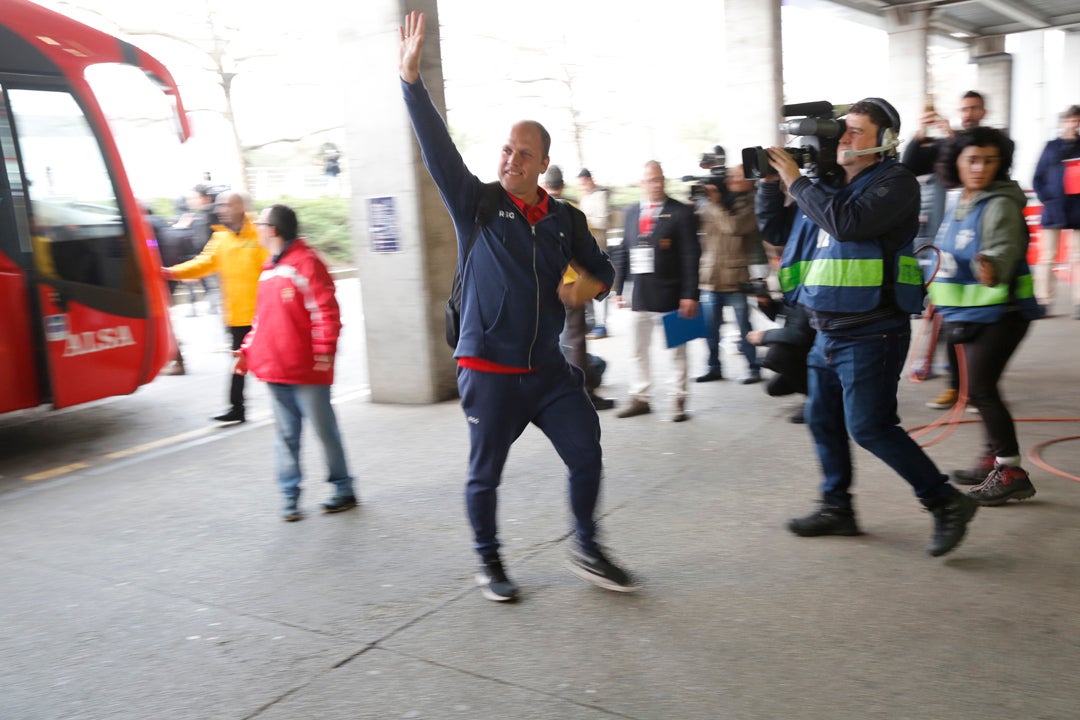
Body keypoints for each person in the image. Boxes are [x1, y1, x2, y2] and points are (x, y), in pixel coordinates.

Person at [399, 11, 636, 602]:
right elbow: (437, 151)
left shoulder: (565, 220)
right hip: (489, 370)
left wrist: (590, 286)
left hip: (547, 371)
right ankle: (490, 563)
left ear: (541, 164)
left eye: (523, 153)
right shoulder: (475, 204)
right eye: (506, 149)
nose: (511, 159)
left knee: (587, 450)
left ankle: (586, 544)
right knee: (486, 475)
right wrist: (411, 84)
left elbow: (605, 270)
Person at [756, 97, 978, 557]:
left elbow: (848, 224)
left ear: (885, 142)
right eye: (844, 130)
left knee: (871, 427)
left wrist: (798, 182)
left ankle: (945, 501)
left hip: (871, 330)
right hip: (827, 329)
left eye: (857, 131)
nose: (844, 138)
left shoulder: (894, 183)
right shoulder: (827, 182)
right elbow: (778, 231)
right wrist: (769, 183)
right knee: (822, 419)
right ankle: (838, 507)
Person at [929, 128, 1042, 504]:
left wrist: (990, 266)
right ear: (956, 163)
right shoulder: (960, 199)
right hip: (971, 311)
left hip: (1003, 313)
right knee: (975, 389)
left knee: (981, 388)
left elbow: (1003, 251)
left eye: (989, 161)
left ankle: (1011, 472)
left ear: (1001, 163)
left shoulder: (1000, 204)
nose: (979, 168)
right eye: (971, 160)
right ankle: (993, 459)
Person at [233, 204, 356, 521]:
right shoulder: (269, 269)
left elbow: (326, 312)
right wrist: (246, 352)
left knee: (324, 431)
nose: (256, 227)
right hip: (276, 370)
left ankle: (343, 488)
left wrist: (324, 353)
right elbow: (260, 321)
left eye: (259, 222)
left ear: (272, 230)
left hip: (306, 371)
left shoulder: (306, 263)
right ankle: (290, 495)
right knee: (286, 437)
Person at [903, 91, 988, 410]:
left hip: (977, 234)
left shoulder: (991, 142)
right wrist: (921, 134)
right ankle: (953, 381)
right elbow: (910, 164)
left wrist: (954, 139)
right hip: (948, 235)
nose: (967, 113)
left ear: (983, 111)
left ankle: (972, 384)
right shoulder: (944, 145)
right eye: (963, 108)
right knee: (946, 312)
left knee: (971, 318)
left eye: (973, 108)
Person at [162, 191, 269, 424]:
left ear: (240, 207)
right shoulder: (220, 239)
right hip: (238, 315)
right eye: (219, 205)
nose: (220, 209)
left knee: (273, 360)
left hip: (266, 313)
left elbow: (275, 263)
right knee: (238, 364)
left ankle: (290, 400)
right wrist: (172, 272)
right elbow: (204, 263)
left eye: (226, 205)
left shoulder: (260, 233)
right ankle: (236, 408)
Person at [612, 160, 700, 422]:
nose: (657, 184)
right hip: (640, 294)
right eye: (651, 180)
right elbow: (623, 252)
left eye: (660, 179)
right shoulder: (630, 213)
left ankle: (678, 399)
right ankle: (640, 397)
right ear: (641, 183)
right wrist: (618, 288)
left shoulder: (681, 213)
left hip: (673, 294)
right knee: (637, 350)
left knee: (677, 351)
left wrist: (690, 293)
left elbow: (690, 255)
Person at [544, 166, 615, 411]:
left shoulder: (535, 211)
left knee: (555, 339)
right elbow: (589, 249)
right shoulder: (570, 211)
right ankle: (582, 393)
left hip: (544, 288)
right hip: (572, 283)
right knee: (575, 339)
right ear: (562, 185)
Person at [695, 165, 764, 385]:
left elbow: (734, 226)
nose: (733, 179)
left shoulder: (752, 203)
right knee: (709, 328)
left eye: (738, 176)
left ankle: (753, 367)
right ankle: (713, 366)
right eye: (731, 175)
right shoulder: (716, 201)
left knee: (744, 326)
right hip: (710, 275)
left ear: (751, 180)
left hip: (736, 277)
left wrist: (713, 203)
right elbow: (694, 222)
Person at [1032, 104, 1080, 316]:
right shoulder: (1051, 147)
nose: (1074, 124)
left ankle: (1079, 302)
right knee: (1047, 257)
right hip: (1054, 209)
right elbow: (1038, 177)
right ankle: (1043, 301)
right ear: (1062, 123)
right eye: (1070, 120)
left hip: (1078, 209)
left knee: (1078, 257)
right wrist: (1047, 199)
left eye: (1077, 121)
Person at [747, 302, 814, 424]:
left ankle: (816, 399)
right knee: (774, 388)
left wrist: (764, 336)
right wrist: (765, 302)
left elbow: (798, 333)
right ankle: (818, 390)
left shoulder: (804, 290)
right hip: (808, 348)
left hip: (819, 349)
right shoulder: (791, 294)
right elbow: (781, 317)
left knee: (778, 355)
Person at [577, 168, 612, 338]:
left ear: (591, 180)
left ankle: (602, 324)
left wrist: (583, 221)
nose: (582, 187)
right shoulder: (584, 198)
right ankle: (592, 322)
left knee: (600, 286)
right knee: (587, 286)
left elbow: (604, 221)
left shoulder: (601, 195)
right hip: (585, 249)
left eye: (584, 183)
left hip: (599, 248)